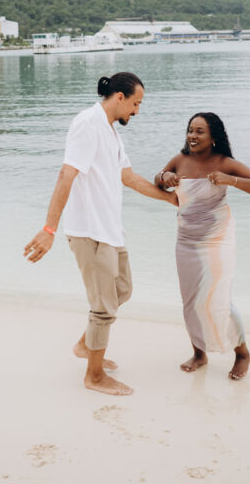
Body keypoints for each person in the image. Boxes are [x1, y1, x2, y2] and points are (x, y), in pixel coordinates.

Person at [24, 72, 177, 396]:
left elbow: (129, 177)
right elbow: (66, 175)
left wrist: (169, 199)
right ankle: (93, 376)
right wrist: (49, 229)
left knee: (122, 290)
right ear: (120, 97)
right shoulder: (87, 123)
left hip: (110, 230)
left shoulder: (110, 132)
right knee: (103, 307)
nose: (137, 111)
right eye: (136, 103)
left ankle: (85, 344)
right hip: (89, 231)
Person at [155, 112, 250, 380]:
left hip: (217, 239)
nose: (192, 136)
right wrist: (165, 175)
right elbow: (158, 181)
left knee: (218, 300)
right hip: (186, 239)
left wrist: (231, 180)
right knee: (191, 300)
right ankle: (199, 353)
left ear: (213, 137)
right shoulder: (180, 160)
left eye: (199, 131)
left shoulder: (225, 163)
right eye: (190, 130)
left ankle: (242, 353)